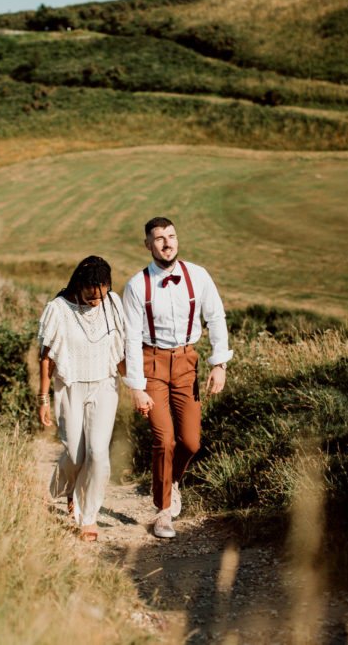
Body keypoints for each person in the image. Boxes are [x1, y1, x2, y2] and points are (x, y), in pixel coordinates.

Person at [122, 217, 232, 539]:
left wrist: (219, 364)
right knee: (164, 439)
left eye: (171, 236)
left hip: (187, 362)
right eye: (159, 238)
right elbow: (130, 338)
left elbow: (216, 317)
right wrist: (136, 387)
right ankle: (162, 511)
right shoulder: (135, 285)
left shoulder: (197, 276)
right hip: (150, 363)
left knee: (190, 442)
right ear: (148, 245)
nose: (167, 243)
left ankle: (172, 482)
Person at [37, 255, 126, 542]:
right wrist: (42, 398)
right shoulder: (58, 309)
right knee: (75, 453)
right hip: (70, 386)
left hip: (105, 385)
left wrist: (138, 388)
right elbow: (46, 358)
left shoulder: (113, 304)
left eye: (102, 294)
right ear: (79, 285)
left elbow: (121, 350)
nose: (96, 301)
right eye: (91, 296)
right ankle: (64, 489)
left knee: (98, 453)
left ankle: (88, 517)